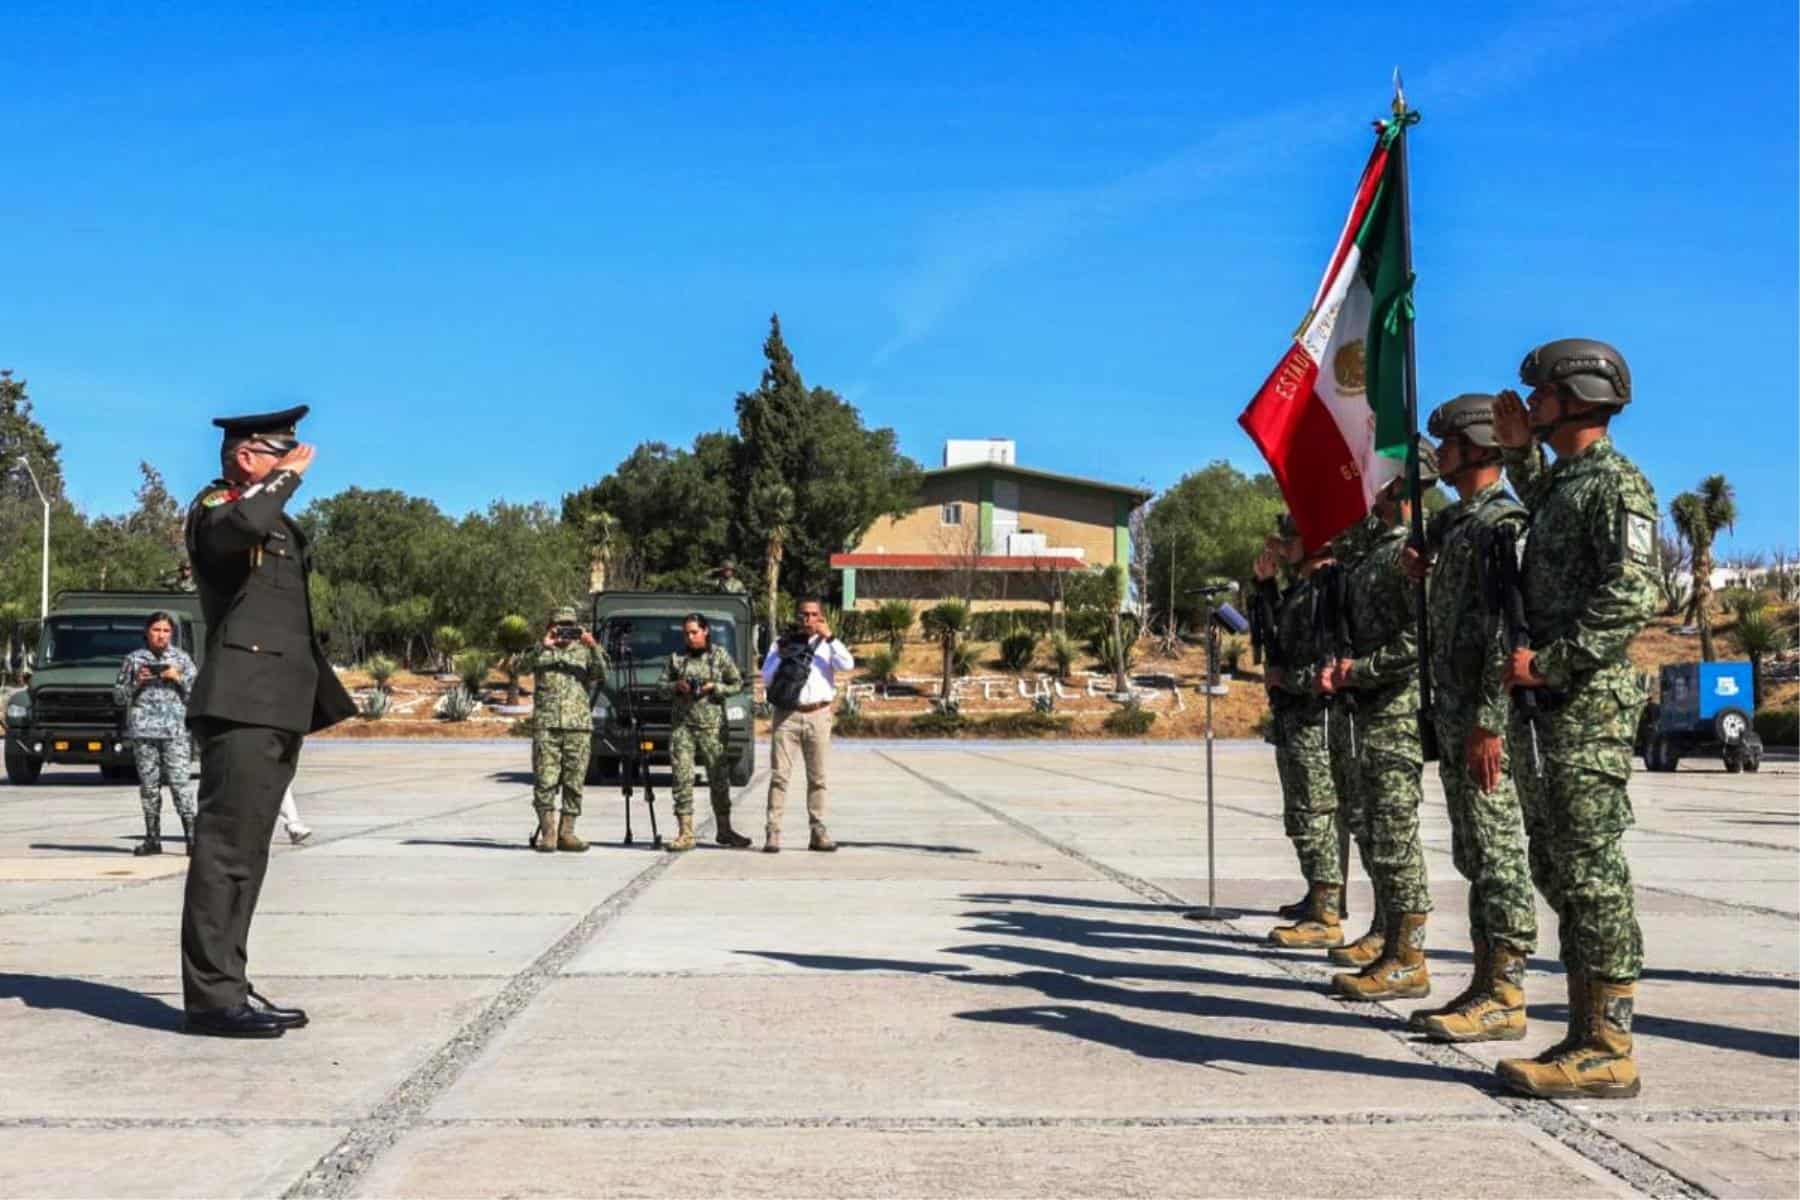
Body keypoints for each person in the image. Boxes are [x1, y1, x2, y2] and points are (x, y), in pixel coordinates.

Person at [1491, 338, 1657, 1100]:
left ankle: (1609, 1045)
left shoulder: (1616, 486)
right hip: (1550, 711)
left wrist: (1551, 663)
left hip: (1584, 707)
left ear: (1577, 395)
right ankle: (1587, 1030)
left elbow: (1633, 594)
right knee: (1557, 867)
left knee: (1591, 873)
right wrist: (1522, 456)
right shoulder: (1564, 484)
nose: (1530, 407)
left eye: (1540, 396)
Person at [181, 405, 357, 1039]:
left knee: (248, 855)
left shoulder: (269, 518)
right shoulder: (216, 510)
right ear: (248, 456)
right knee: (225, 853)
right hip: (241, 702)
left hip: (275, 703)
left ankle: (228, 982)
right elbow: (239, 527)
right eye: (280, 452)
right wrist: (284, 478)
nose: (296, 460)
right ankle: (210, 1000)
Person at [1401, 393, 1538, 1042]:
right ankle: (1486, 983)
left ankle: (1507, 992)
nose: (1441, 455)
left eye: (1450, 444)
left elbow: (1503, 631)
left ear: (1483, 448)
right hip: (1455, 714)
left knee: (1498, 853)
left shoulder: (1503, 524)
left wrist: (1488, 718)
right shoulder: (1457, 526)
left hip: (1486, 722)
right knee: (1474, 853)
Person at [1319, 439, 1438, 1002]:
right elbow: (1340, 544)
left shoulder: (1413, 552)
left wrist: (1359, 670)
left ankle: (1408, 957)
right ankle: (1389, 939)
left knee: (1394, 834)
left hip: (1396, 710)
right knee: (1376, 833)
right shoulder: (1378, 549)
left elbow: (1420, 639)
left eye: (1381, 477)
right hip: (1367, 709)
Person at [1262, 516, 1346, 949]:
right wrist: (1264, 587)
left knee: (1314, 814)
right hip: (1293, 718)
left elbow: (1326, 668)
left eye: (1291, 539)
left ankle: (1327, 911)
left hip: (1314, 719)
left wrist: (1287, 680)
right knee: (1301, 815)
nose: (1283, 547)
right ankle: (1318, 895)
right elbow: (1274, 640)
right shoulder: (1301, 590)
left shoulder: (1325, 590)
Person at [760, 598, 854, 853]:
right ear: (797, 616)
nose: (808, 620)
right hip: (787, 714)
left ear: (821, 617)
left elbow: (847, 665)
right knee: (780, 776)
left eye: (814, 615)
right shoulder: (782, 643)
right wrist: (783, 656)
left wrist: (831, 638)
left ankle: (818, 830)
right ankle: (773, 831)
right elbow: (766, 677)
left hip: (819, 714)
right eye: (804, 614)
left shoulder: (828, 645)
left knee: (818, 777)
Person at [517, 606, 608, 854]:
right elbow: (517, 668)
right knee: (544, 781)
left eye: (570, 626)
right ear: (550, 627)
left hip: (577, 726)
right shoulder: (541, 652)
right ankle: (548, 832)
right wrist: (543, 645)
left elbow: (603, 675)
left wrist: (593, 646)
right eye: (560, 626)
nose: (565, 632)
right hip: (547, 726)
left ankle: (567, 832)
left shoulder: (584, 652)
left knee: (574, 782)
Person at [659, 613, 748, 852]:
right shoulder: (676, 659)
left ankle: (724, 829)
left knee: (719, 779)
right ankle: (685, 832)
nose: (690, 638)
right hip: (682, 728)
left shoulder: (719, 656)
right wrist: (675, 687)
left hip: (713, 728)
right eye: (686, 633)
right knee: (682, 779)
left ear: (705, 631)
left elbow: (737, 683)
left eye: (694, 632)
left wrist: (714, 687)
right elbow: (660, 687)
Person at [113, 612, 198, 856]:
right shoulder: (134, 660)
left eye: (166, 631)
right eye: (156, 630)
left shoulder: (181, 659)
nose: (161, 635)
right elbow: (119, 696)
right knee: (149, 787)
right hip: (144, 732)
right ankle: (152, 838)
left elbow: (199, 694)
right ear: (147, 632)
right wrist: (136, 682)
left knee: (180, 785)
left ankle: (191, 839)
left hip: (175, 733)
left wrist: (178, 677)